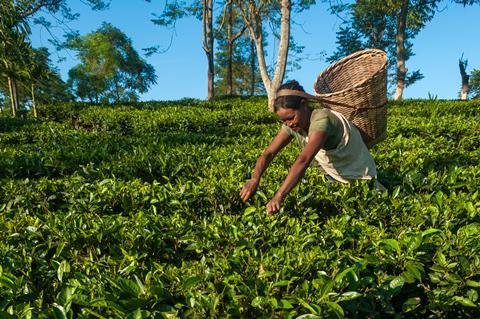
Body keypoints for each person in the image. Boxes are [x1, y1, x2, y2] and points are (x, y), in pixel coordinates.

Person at [240, 80, 383, 215]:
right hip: (333, 178)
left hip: (360, 177)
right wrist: (254, 179)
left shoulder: (321, 119)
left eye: (291, 117)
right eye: (284, 120)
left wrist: (279, 195)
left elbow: (304, 159)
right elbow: (269, 153)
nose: (289, 124)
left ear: (304, 105)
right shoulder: (292, 125)